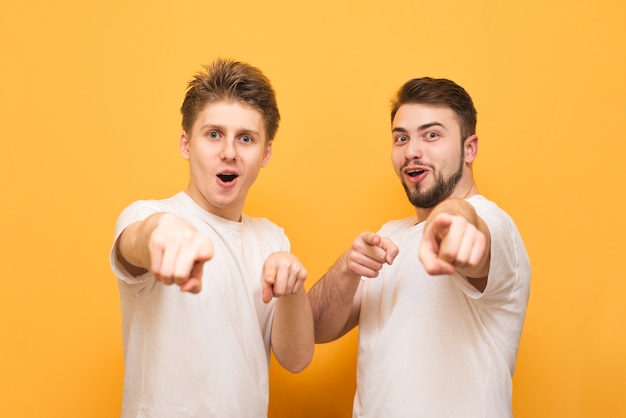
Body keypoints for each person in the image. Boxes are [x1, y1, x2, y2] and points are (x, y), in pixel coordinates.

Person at [308, 77, 531, 417]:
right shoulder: (389, 237)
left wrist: (450, 220)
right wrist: (347, 269)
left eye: (431, 135)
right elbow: (314, 329)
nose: (412, 150)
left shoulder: (494, 224)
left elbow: (468, 228)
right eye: (401, 138)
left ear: (469, 149)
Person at [110, 58, 314, 417]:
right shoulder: (146, 215)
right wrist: (162, 232)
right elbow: (136, 243)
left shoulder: (272, 240)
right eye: (214, 134)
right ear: (187, 144)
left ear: (265, 153)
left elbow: (296, 359)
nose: (229, 153)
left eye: (246, 139)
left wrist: (293, 287)